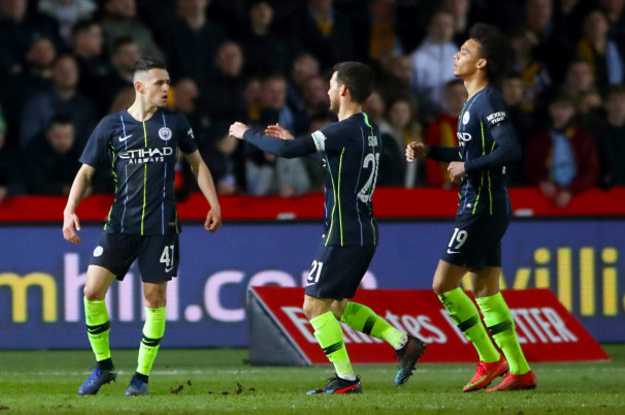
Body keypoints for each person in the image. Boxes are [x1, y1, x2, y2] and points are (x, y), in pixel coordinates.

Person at [229, 61, 425, 395]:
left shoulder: (343, 129)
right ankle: (401, 341)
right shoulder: (367, 128)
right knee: (335, 306)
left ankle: (347, 379)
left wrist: (245, 133)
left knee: (313, 306)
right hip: (362, 229)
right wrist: (299, 141)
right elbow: (336, 164)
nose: (329, 91)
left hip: (344, 232)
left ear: (344, 90)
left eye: (332, 85)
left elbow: (287, 151)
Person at [62, 57, 222, 396]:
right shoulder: (111, 125)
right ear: (139, 87)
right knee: (91, 291)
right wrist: (69, 210)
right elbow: (86, 172)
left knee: (154, 299)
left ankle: (140, 377)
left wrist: (214, 203)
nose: (166, 88)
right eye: (159, 83)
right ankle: (104, 366)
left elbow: (198, 164)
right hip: (119, 224)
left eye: (168, 82)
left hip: (161, 228)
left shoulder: (175, 123)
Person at [406, 23, 537, 392]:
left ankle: (490, 358)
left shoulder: (490, 100)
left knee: (443, 284)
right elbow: (472, 153)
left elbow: (510, 149)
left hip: (483, 204)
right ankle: (519, 369)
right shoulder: (471, 103)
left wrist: (468, 167)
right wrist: (431, 152)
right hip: (486, 203)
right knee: (485, 292)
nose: (455, 55)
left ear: (481, 63)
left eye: (463, 51)